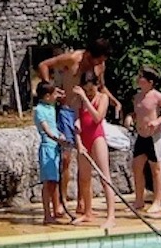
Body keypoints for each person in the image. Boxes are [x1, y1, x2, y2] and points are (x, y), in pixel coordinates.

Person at [38, 39, 113, 215]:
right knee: (65, 158)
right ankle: (61, 201)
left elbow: (100, 87)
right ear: (89, 54)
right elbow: (43, 65)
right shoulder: (73, 59)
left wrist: (114, 101)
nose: (100, 63)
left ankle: (82, 202)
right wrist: (51, 90)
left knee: (84, 156)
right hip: (67, 110)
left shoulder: (100, 66)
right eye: (98, 60)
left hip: (87, 112)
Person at [125, 67, 161, 218]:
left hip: (154, 137)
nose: (138, 79)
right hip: (141, 136)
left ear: (150, 81)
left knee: (156, 169)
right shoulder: (138, 96)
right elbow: (139, 112)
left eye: (141, 77)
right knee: (137, 167)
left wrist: (157, 121)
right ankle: (139, 200)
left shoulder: (157, 96)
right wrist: (130, 117)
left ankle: (157, 201)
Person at [70, 71, 116, 228]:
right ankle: (87, 212)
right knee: (84, 178)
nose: (89, 93)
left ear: (97, 86)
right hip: (83, 139)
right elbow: (76, 123)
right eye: (86, 90)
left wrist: (85, 99)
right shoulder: (78, 100)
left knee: (105, 177)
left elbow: (97, 117)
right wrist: (79, 143)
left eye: (91, 90)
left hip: (97, 137)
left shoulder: (102, 98)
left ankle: (111, 216)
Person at [33, 81, 71, 224]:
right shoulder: (39, 110)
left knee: (55, 181)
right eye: (55, 94)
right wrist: (57, 138)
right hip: (47, 148)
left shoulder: (51, 107)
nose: (58, 96)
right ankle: (47, 213)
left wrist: (57, 92)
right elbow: (46, 129)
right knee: (48, 183)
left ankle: (56, 210)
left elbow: (54, 127)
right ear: (48, 96)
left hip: (55, 147)